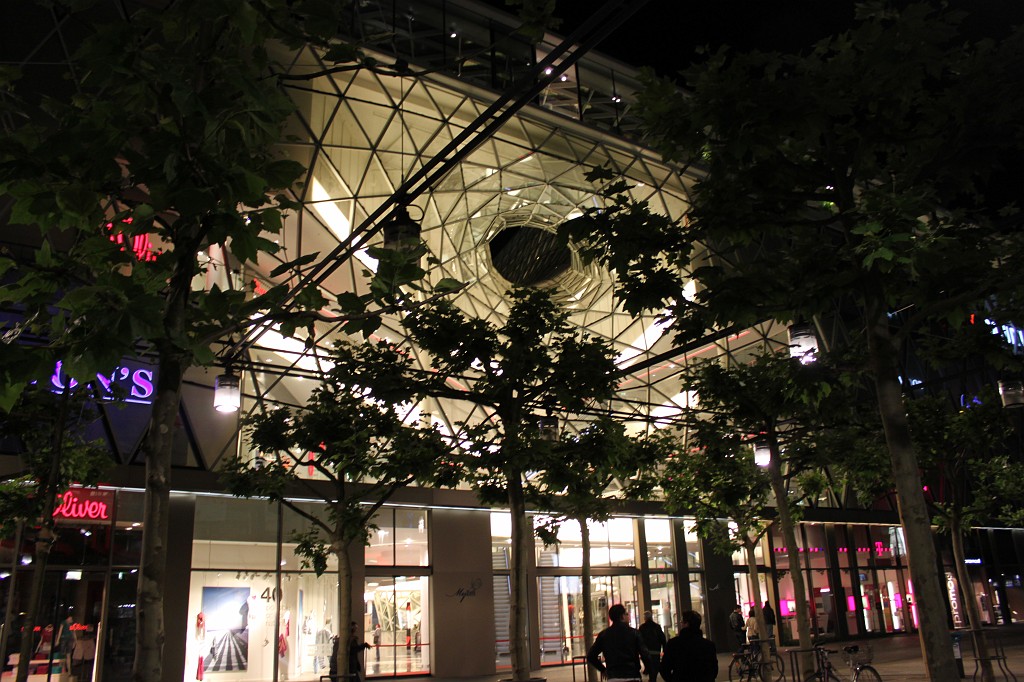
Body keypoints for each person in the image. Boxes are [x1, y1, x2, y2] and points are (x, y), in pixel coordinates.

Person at [587, 604, 650, 682]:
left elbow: (591, 656)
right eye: (626, 614)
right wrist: (648, 668)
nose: (628, 616)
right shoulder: (634, 633)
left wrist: (603, 669)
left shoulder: (604, 635)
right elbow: (645, 654)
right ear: (622, 616)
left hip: (613, 676)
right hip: (632, 676)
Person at [660, 610, 717, 682]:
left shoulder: (674, 644)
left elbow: (664, 669)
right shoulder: (709, 645)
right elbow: (714, 670)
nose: (681, 624)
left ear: (686, 624)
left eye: (681, 622)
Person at [638, 611, 666, 682]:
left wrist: (640, 651)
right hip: (656, 651)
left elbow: (639, 640)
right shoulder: (657, 627)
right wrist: (664, 650)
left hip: (646, 652)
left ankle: (650, 674)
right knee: (655, 668)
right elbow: (662, 639)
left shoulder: (642, 627)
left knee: (650, 667)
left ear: (645, 618)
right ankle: (652, 678)